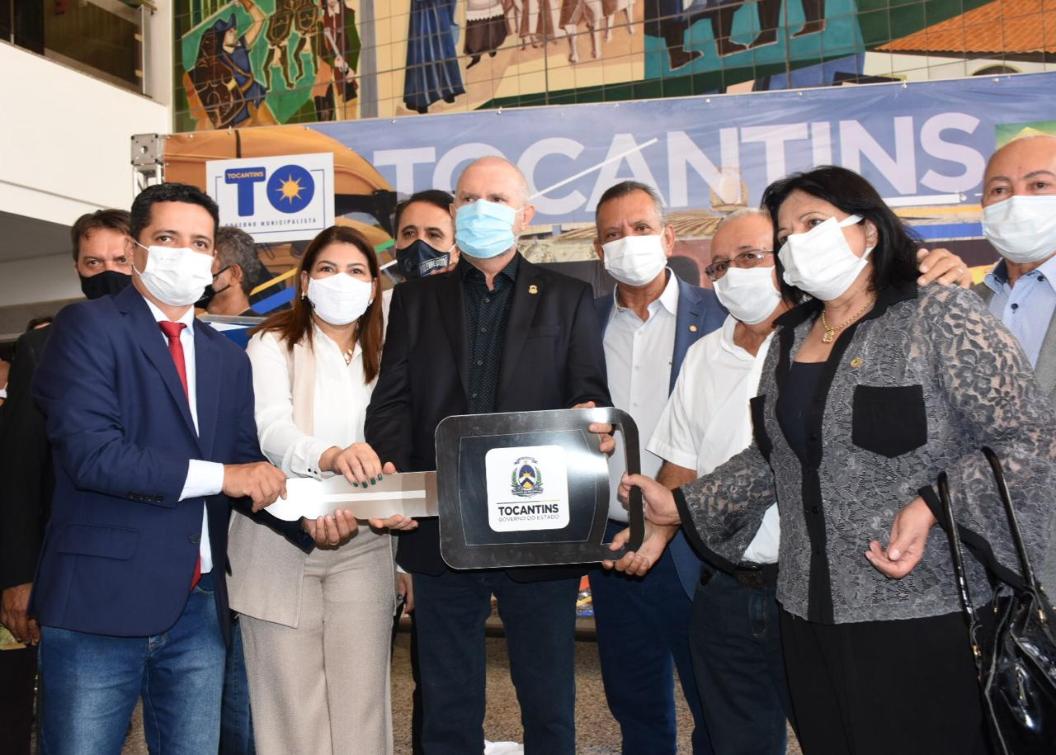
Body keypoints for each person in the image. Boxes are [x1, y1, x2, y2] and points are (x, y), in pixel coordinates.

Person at [619, 166, 1056, 754]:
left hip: (923, 612)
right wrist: (679, 503)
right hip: (807, 614)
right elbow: (773, 458)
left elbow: (1030, 438)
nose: (796, 241)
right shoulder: (790, 338)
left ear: (868, 230)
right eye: (785, 234)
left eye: (814, 223)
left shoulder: (940, 315)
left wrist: (932, 503)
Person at [28, 183, 334, 754]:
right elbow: (94, 456)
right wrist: (225, 477)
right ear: (135, 246)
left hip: (197, 608)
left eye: (199, 242)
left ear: (215, 260)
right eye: (166, 237)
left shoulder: (224, 357)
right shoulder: (87, 328)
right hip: (100, 603)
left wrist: (318, 515)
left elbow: (250, 468)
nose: (184, 252)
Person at [366, 156, 610, 754]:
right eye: (469, 198)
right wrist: (397, 482)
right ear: (453, 211)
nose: (481, 210)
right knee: (446, 703)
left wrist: (588, 416)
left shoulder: (570, 297)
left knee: (548, 701)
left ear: (524, 216)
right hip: (443, 524)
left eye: (497, 200)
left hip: (537, 522)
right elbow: (392, 402)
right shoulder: (415, 301)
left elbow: (590, 392)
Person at [229, 225, 416, 754]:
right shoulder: (271, 342)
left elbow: (404, 444)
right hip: (281, 543)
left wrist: (402, 555)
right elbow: (270, 429)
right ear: (305, 281)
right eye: (328, 269)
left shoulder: (388, 355)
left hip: (367, 544)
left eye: (357, 271)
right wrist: (329, 458)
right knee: (292, 716)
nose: (343, 281)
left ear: (374, 285)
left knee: (363, 711)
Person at [590, 180, 723, 754]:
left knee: (715, 699)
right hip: (615, 541)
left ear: (668, 238)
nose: (629, 242)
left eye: (641, 229)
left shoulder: (719, 314)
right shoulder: (582, 324)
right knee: (634, 700)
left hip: (700, 542)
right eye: (613, 235)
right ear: (599, 252)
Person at [0, 209, 134, 755]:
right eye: (92, 261)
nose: (107, 272)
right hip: (73, 566)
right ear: (75, 268)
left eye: (121, 260)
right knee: (79, 723)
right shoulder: (43, 347)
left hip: (166, 569)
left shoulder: (184, 342)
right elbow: (21, 470)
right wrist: (16, 576)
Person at [978, 134, 1056, 397]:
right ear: (983, 206)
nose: (1016, 202)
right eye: (1000, 190)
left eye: (1039, 185)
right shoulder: (964, 302)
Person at [202, 226, 268, 316]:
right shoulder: (191, 328)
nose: (197, 276)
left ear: (234, 274)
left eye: (206, 268)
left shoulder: (261, 330)